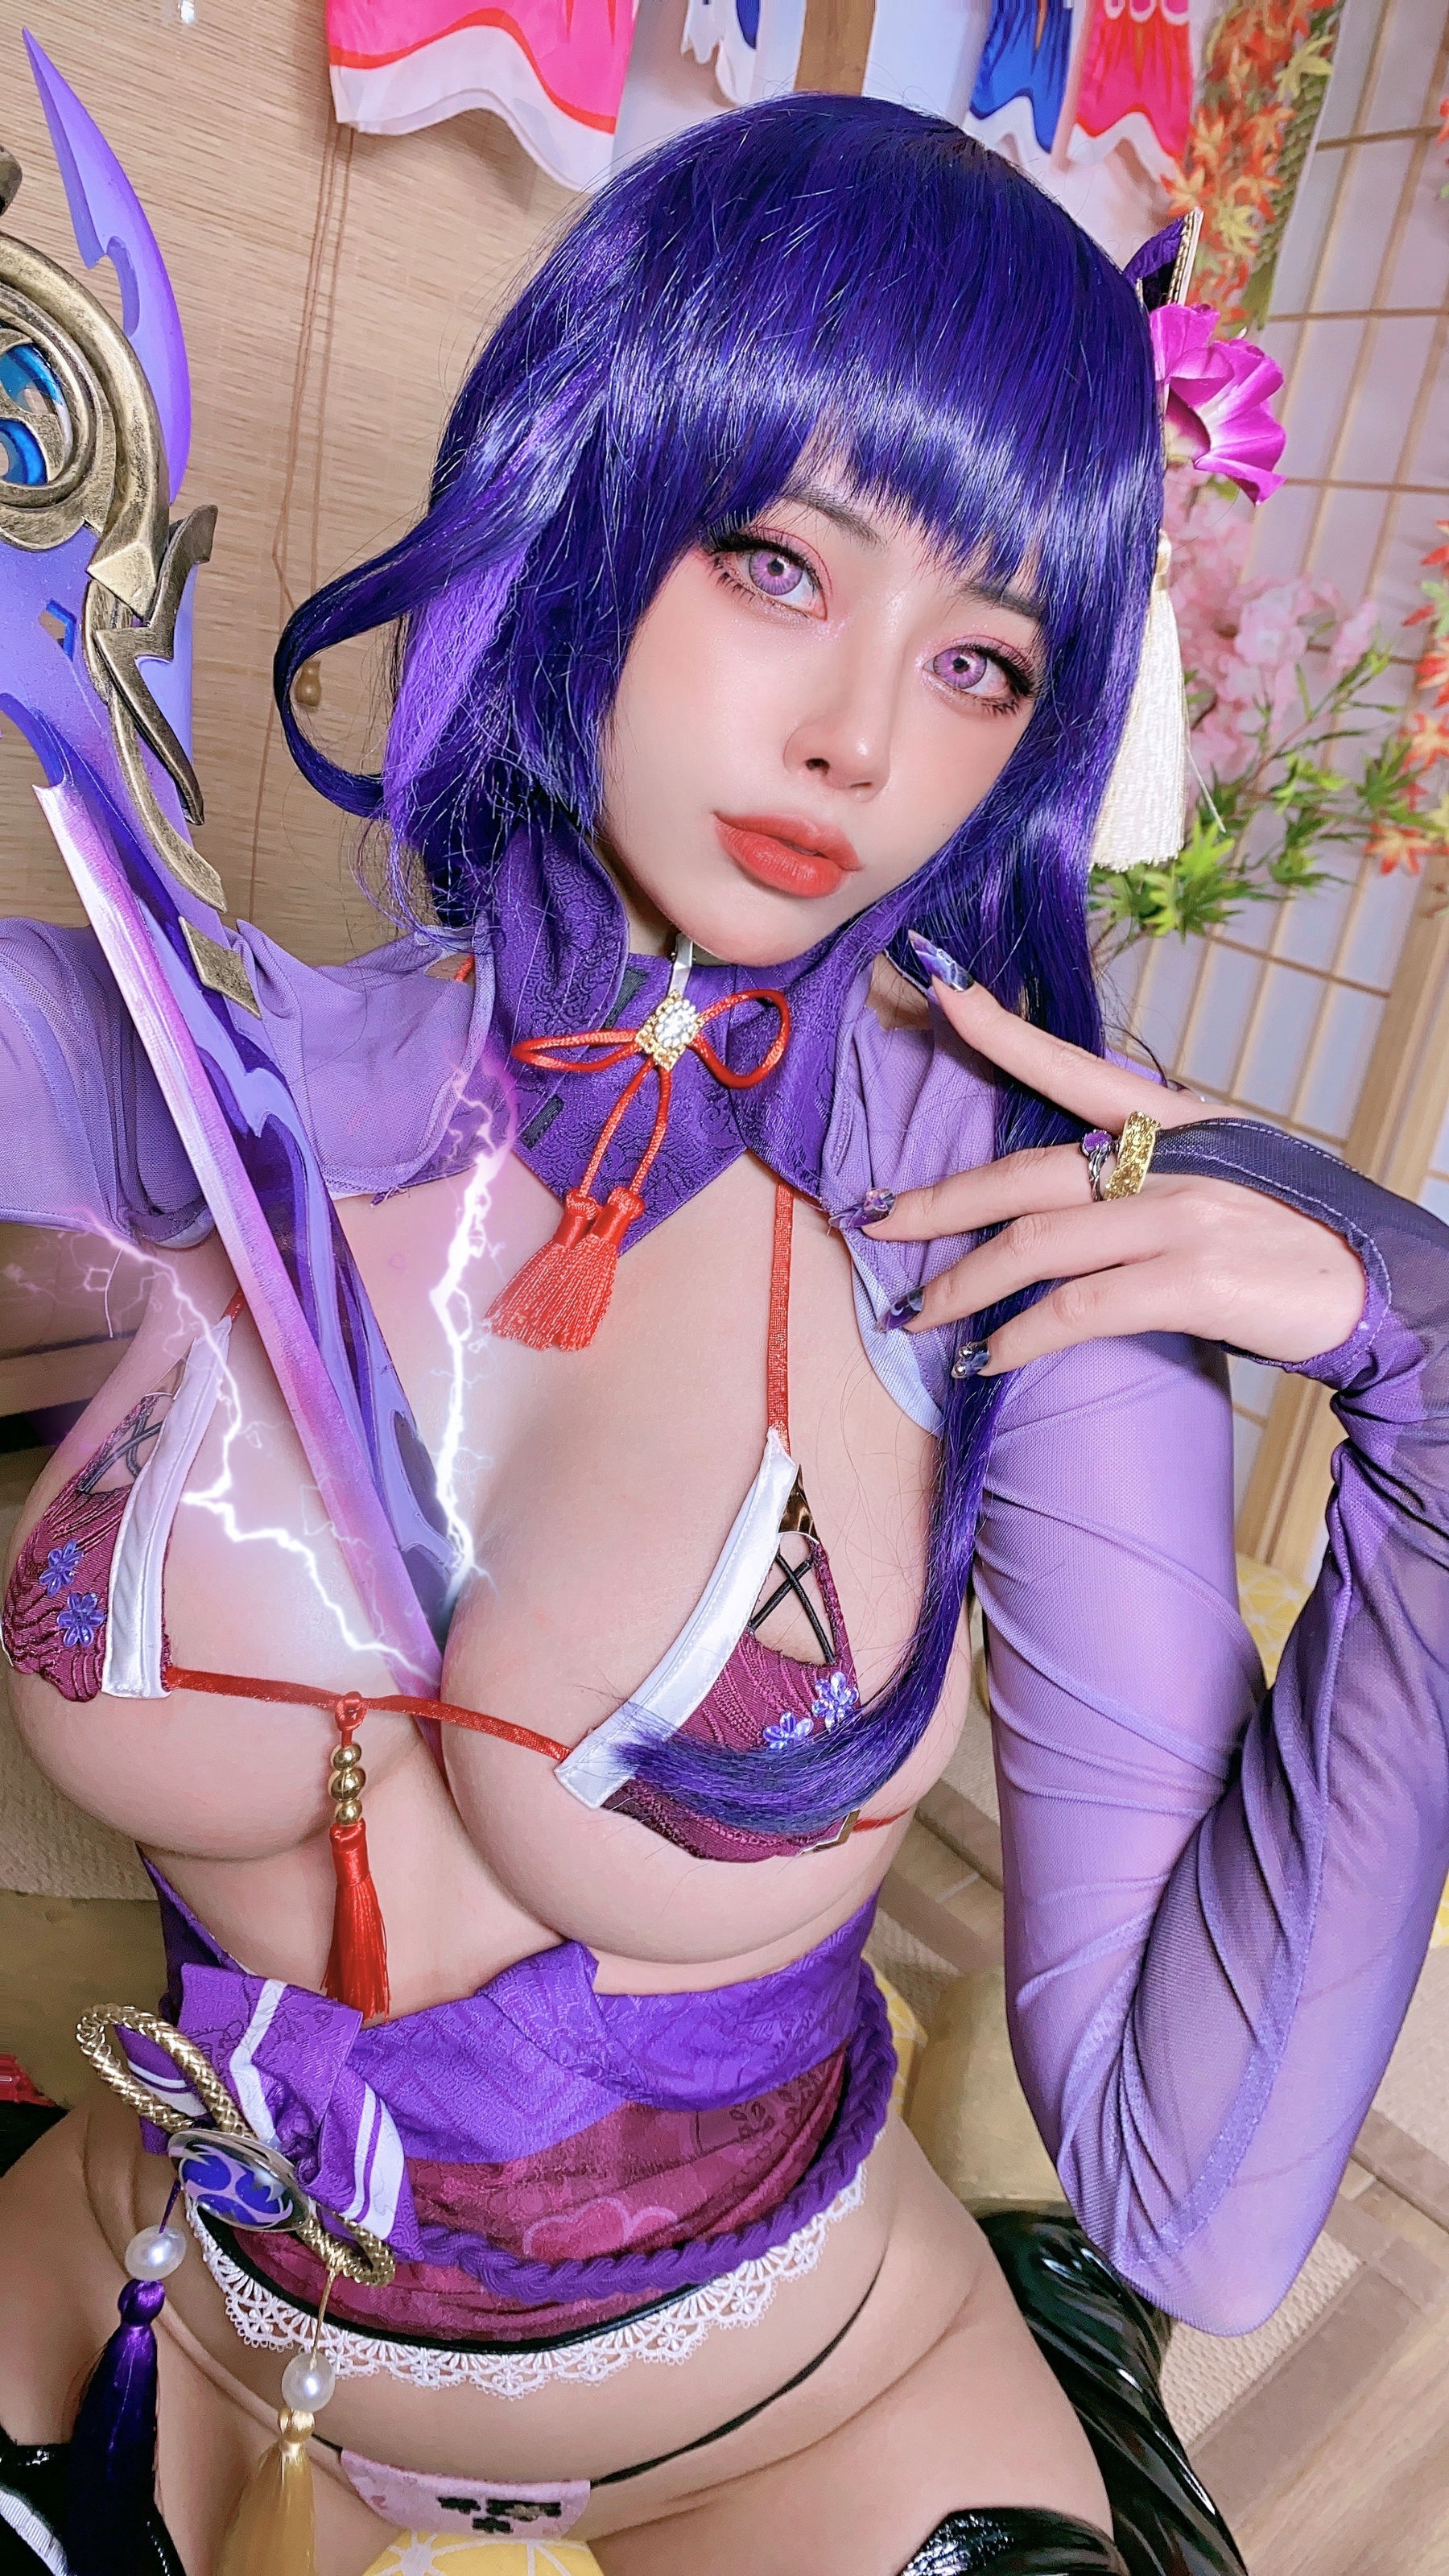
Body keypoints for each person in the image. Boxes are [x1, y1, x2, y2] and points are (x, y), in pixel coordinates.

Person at [0, 92, 1445, 2576]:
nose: (862, 741)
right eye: (779, 560)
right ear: (594, 491)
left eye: (981, 660)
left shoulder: (1016, 1265)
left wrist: (1427, 1369)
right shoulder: (209, 1073)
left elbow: (1195, 2212)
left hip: (781, 2421)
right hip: (157, 2299)